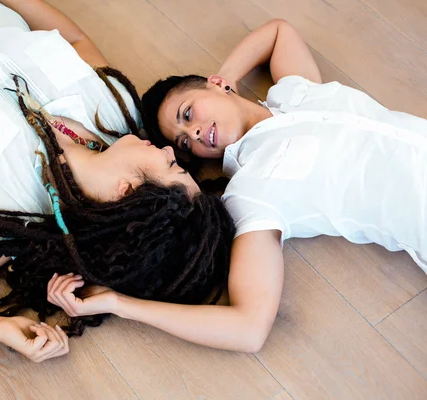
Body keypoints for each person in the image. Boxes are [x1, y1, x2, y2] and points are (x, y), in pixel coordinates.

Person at [0, 0, 236, 363]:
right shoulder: (117, 107)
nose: (171, 151)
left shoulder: (11, 213)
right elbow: (76, 38)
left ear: (127, 191)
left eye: (174, 168)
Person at [81, 18, 427, 352]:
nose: (194, 133)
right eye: (186, 143)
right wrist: (120, 303)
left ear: (213, 84)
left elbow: (279, 32)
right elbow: (248, 328)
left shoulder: (296, 92)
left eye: (188, 114)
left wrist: (225, 79)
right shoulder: (251, 192)